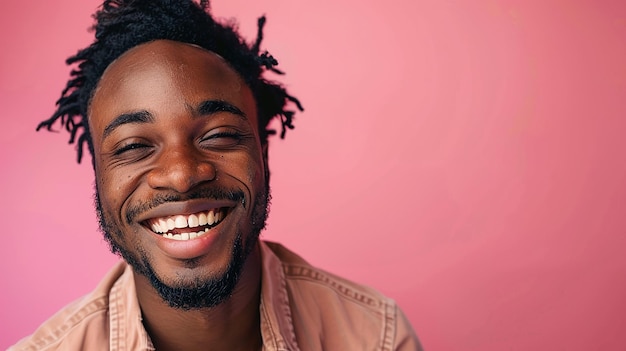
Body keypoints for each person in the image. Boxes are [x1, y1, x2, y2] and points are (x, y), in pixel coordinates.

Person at [10, 0, 421, 350]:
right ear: (99, 178)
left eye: (219, 135)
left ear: (264, 154)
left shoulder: (376, 337)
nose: (181, 174)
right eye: (134, 146)